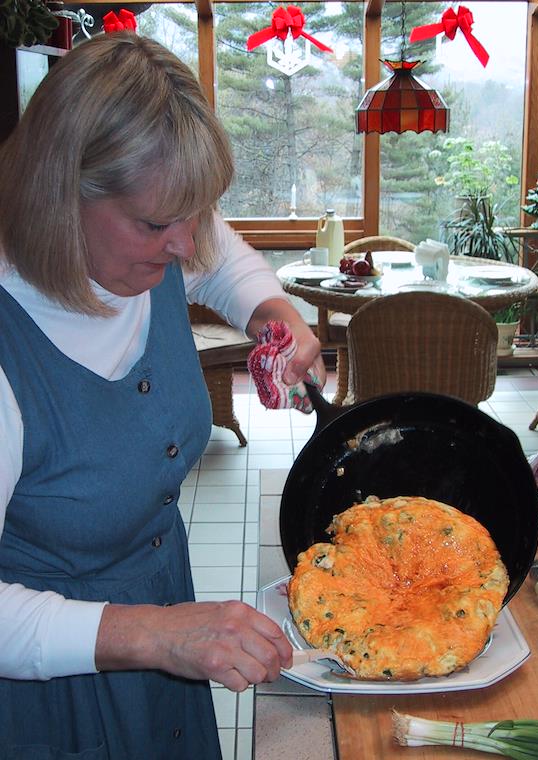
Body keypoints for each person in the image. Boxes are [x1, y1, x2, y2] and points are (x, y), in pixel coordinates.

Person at [0, 31, 325, 759]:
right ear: (60, 195)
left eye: (195, 212)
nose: (185, 245)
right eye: (155, 223)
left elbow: (218, 256)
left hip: (162, 623)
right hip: (44, 683)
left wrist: (273, 314)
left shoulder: (159, 239)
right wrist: (157, 634)